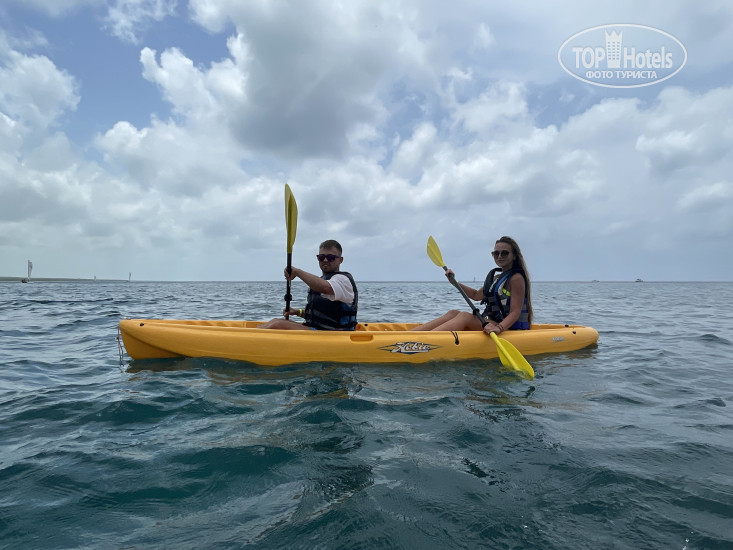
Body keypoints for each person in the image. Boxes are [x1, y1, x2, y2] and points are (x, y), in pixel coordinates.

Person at [413, 236, 533, 333]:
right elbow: (475, 295)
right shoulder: (497, 278)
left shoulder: (516, 278)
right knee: (453, 313)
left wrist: (499, 328)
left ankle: (423, 341)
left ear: (514, 256)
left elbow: (515, 312)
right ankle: (408, 336)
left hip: (509, 328)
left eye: (504, 253)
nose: (500, 256)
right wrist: (455, 283)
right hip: (495, 324)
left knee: (465, 316)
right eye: (496, 253)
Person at [258, 239, 358, 330]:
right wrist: (297, 312)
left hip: (334, 335)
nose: (325, 260)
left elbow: (325, 287)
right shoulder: (322, 280)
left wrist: (297, 272)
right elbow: (320, 315)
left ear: (340, 260)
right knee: (275, 321)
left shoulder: (343, 280)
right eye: (321, 257)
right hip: (319, 331)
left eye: (330, 257)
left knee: (277, 325)